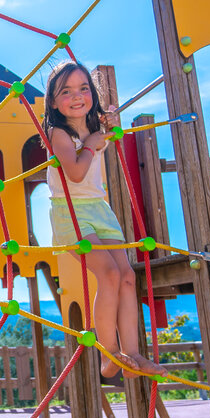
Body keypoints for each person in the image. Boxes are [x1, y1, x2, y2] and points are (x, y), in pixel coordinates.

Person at [41, 60, 161, 386]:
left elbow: (103, 135)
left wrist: (104, 128)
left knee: (127, 278)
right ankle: (109, 355)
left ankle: (132, 355)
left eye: (83, 88)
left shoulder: (92, 130)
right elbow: (76, 172)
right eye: (66, 91)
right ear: (54, 102)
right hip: (70, 211)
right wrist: (93, 143)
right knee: (108, 274)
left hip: (100, 209)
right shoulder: (58, 133)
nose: (76, 96)